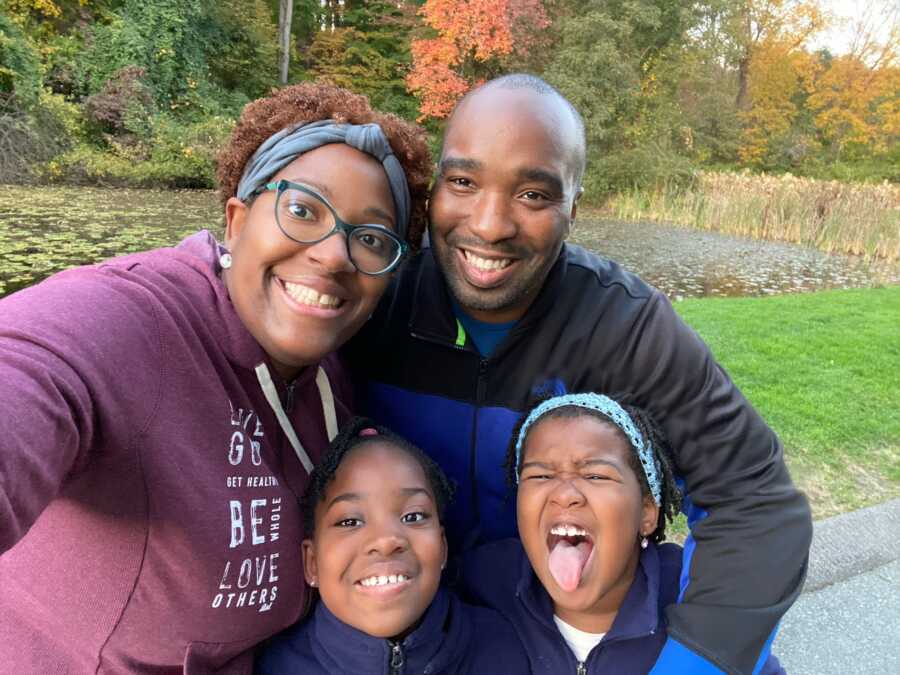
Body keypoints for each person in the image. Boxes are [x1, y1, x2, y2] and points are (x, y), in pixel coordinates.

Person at [347, 73, 812, 673]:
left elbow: (753, 503)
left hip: (589, 636)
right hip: (430, 637)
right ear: (434, 188)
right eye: (463, 181)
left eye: (534, 195)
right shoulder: (376, 300)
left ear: (574, 208)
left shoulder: (627, 328)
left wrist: (691, 665)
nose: (489, 225)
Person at [0, 83, 431, 672]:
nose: (334, 256)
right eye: (302, 209)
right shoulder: (133, 321)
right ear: (236, 220)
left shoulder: (330, 374)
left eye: (371, 238)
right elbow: (33, 368)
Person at [461, 393, 784, 674]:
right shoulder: (483, 581)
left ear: (646, 513)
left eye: (596, 475)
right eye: (541, 475)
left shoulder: (696, 601)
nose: (564, 493)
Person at [255, 417, 527, 674]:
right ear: (312, 563)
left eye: (413, 516)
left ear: (443, 547)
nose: (385, 541)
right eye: (349, 521)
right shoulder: (277, 666)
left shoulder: (504, 649)